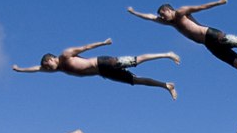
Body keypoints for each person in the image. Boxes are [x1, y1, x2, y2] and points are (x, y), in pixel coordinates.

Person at [127, 0, 237, 98]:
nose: (162, 18)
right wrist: (134, 12)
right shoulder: (169, 22)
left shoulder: (181, 12)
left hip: (212, 35)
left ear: (168, 10)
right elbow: (150, 17)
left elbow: (201, 7)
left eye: (163, 14)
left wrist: (219, 2)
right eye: (161, 16)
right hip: (209, 45)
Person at [12, 38, 179, 99]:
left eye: (49, 65)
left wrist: (103, 43)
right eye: (48, 68)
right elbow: (36, 69)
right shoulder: (57, 68)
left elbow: (85, 47)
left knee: (136, 61)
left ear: (52, 59)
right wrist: (20, 70)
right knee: (136, 81)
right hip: (103, 73)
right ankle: (166, 85)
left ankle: (167, 54)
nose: (49, 69)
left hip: (104, 63)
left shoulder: (65, 55)